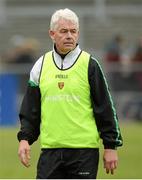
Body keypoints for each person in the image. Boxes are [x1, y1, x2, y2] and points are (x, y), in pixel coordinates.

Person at [17, 8, 123, 179]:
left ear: (78, 34)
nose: (69, 36)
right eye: (64, 31)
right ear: (52, 34)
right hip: (50, 152)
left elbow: (105, 108)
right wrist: (24, 139)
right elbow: (30, 109)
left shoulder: (90, 65)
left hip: (84, 153)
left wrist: (110, 146)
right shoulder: (40, 65)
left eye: (73, 31)